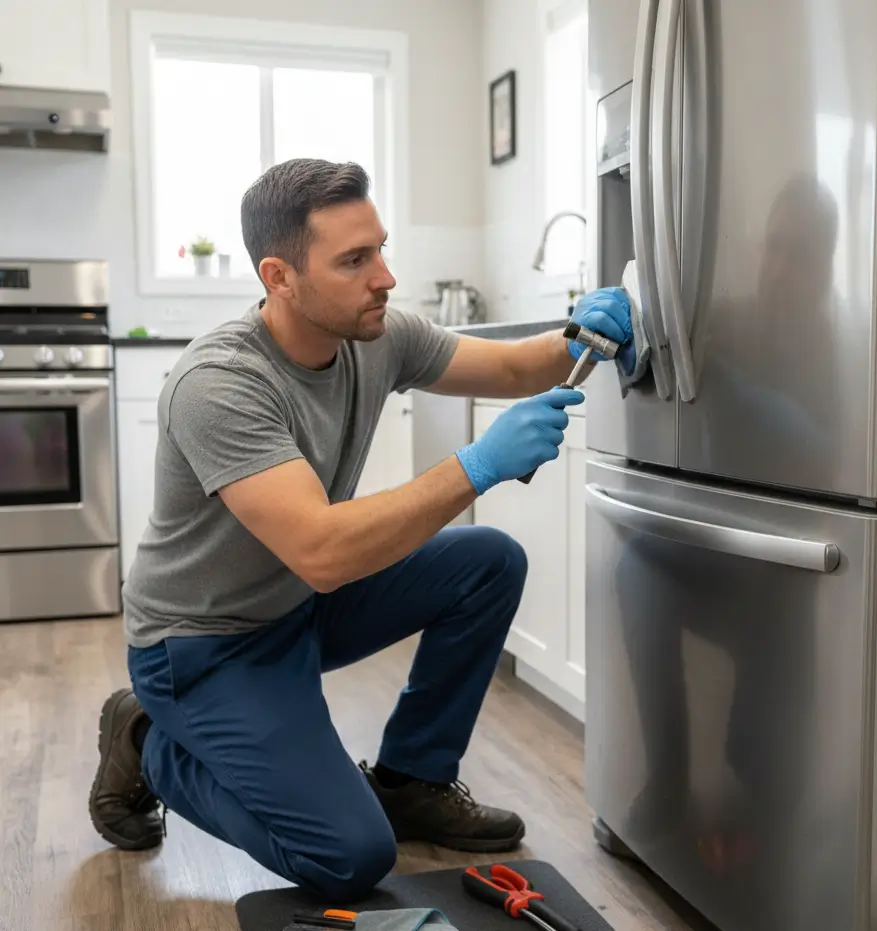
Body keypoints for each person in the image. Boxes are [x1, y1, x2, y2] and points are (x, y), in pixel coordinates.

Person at [87, 158, 633, 901]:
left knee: (487, 561)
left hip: (295, 608)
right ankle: (145, 740)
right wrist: (476, 464)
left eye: (379, 247)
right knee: (346, 856)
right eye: (355, 259)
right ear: (279, 277)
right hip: (203, 646)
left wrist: (581, 334)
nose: (386, 276)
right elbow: (322, 550)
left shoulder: (374, 334)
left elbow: (510, 369)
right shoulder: (220, 382)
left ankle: (413, 779)